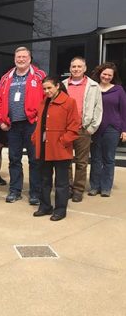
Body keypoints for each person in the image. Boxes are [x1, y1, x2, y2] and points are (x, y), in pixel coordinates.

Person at [0, 47, 46, 205]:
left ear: (30, 59)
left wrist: (40, 119)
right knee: (14, 159)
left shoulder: (39, 76)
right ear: (14, 58)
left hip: (32, 124)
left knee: (34, 160)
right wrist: (1, 120)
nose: (21, 59)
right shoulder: (6, 77)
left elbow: (46, 97)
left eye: (24, 57)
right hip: (13, 125)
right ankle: (15, 190)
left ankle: (35, 193)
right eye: (18, 57)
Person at [31, 77, 80, 221]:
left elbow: (74, 126)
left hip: (60, 149)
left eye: (49, 88)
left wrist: (62, 141)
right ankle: (45, 206)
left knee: (61, 182)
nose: (46, 91)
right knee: (44, 179)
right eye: (44, 89)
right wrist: (35, 137)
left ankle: (60, 209)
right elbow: (40, 123)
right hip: (45, 147)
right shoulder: (43, 102)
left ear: (57, 86)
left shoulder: (69, 102)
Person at [62, 57, 103, 203]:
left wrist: (91, 128)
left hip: (83, 129)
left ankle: (78, 190)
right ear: (70, 68)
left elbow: (98, 108)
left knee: (81, 162)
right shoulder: (63, 85)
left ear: (85, 68)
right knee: (65, 161)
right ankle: (66, 187)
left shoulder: (93, 86)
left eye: (79, 66)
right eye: (74, 66)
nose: (76, 69)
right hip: (66, 129)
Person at [88, 62, 126, 197]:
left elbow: (123, 111)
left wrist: (124, 130)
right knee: (95, 158)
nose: (107, 76)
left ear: (113, 76)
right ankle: (94, 186)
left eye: (110, 75)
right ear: (100, 73)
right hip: (95, 127)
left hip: (112, 128)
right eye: (104, 74)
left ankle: (106, 188)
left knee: (109, 159)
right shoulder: (93, 88)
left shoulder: (118, 90)